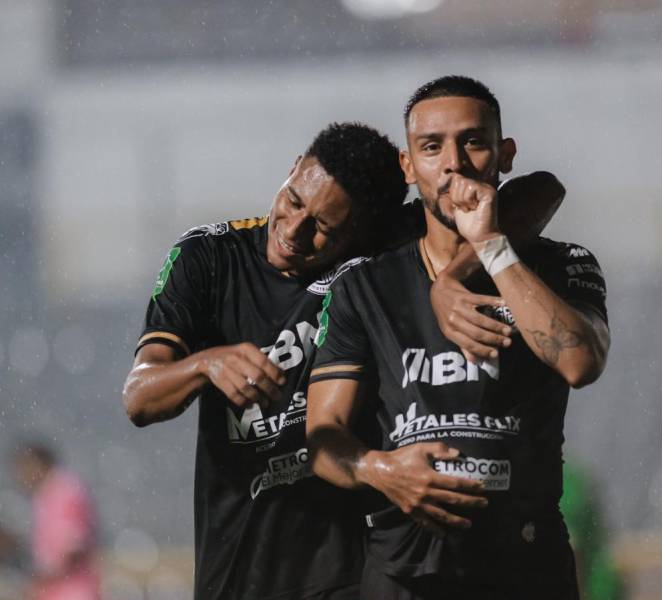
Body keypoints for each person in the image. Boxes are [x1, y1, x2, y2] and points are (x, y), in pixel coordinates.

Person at [122, 121, 564, 599]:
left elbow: (541, 192)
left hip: (352, 563)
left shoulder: (381, 249)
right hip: (240, 564)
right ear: (293, 168)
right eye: (293, 200)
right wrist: (204, 364)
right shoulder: (208, 257)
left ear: (361, 233)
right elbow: (139, 398)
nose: (292, 231)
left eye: (322, 228)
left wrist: (454, 276)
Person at [306, 75, 611, 599]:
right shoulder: (367, 284)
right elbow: (322, 440)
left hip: (526, 569)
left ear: (504, 153)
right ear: (408, 165)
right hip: (403, 573)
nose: (453, 162)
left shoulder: (560, 264)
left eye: (472, 141)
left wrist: (491, 248)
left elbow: (580, 361)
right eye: (431, 146)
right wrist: (380, 469)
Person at [11, 441, 100, 600]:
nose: (21, 476)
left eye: (26, 467)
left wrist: (40, 581)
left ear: (40, 464)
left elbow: (73, 549)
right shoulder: (45, 495)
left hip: (72, 593)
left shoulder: (64, 492)